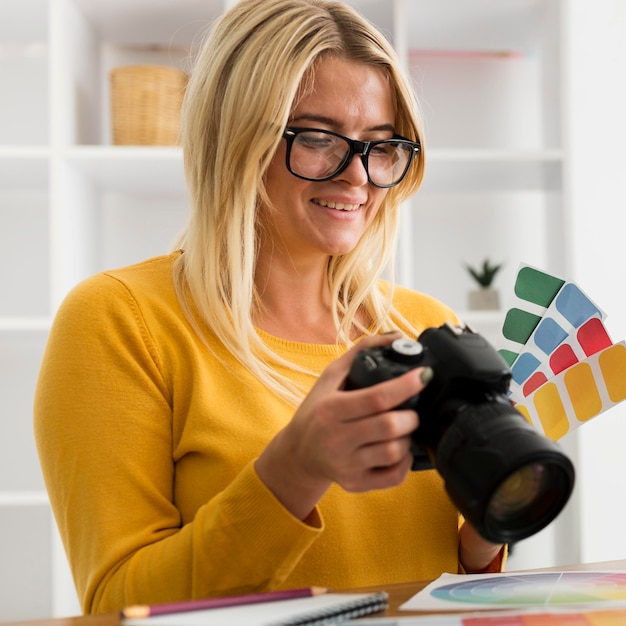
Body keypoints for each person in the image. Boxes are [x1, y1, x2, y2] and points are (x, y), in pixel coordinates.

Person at [34, 0, 505, 615]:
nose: (357, 177)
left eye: (381, 146)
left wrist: (489, 525)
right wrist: (294, 470)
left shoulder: (420, 325)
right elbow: (117, 606)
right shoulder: (120, 322)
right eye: (317, 138)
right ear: (235, 136)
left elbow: (453, 579)